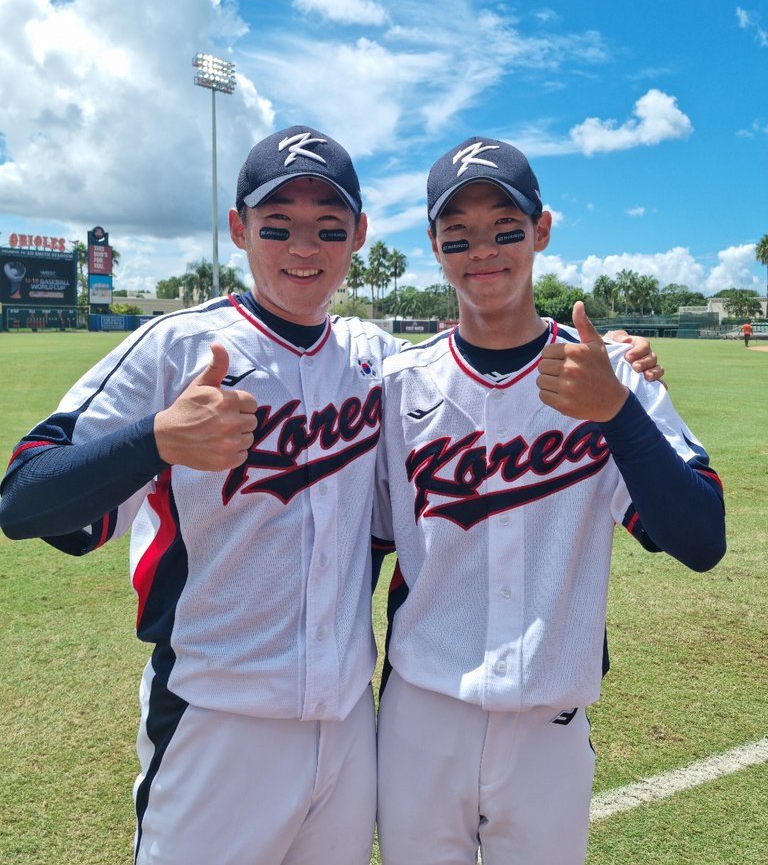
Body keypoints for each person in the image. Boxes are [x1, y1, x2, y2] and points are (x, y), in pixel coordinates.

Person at [0, 125, 662, 865]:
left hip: (350, 729)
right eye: (277, 226)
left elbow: (468, 372)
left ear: (358, 236)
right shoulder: (179, 346)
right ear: (238, 229)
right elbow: (26, 496)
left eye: (328, 228)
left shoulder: (377, 360)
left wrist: (624, 363)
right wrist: (155, 439)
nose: (303, 249)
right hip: (215, 719)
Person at [372, 136, 726, 865]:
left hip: (550, 729)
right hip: (420, 715)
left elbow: (700, 539)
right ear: (435, 248)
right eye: (458, 234)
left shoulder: (610, 371)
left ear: (541, 230)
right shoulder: (396, 385)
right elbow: (358, 545)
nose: (484, 251)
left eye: (505, 228)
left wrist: (617, 412)